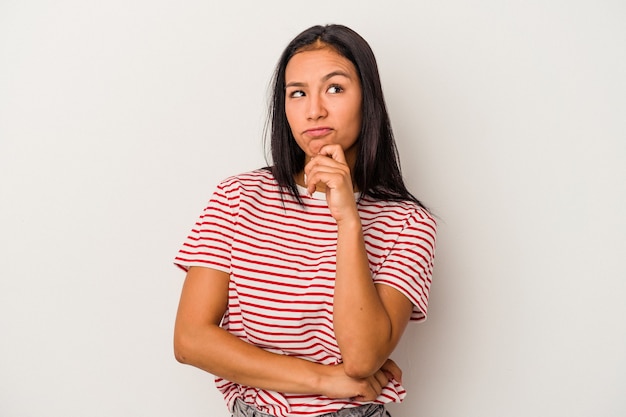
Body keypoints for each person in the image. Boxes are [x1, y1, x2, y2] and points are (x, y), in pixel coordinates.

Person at [173, 24, 437, 417]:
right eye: (297, 93)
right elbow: (190, 340)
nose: (314, 109)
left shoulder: (408, 223)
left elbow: (363, 358)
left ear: (368, 99)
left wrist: (348, 220)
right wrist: (323, 379)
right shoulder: (238, 197)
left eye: (335, 88)